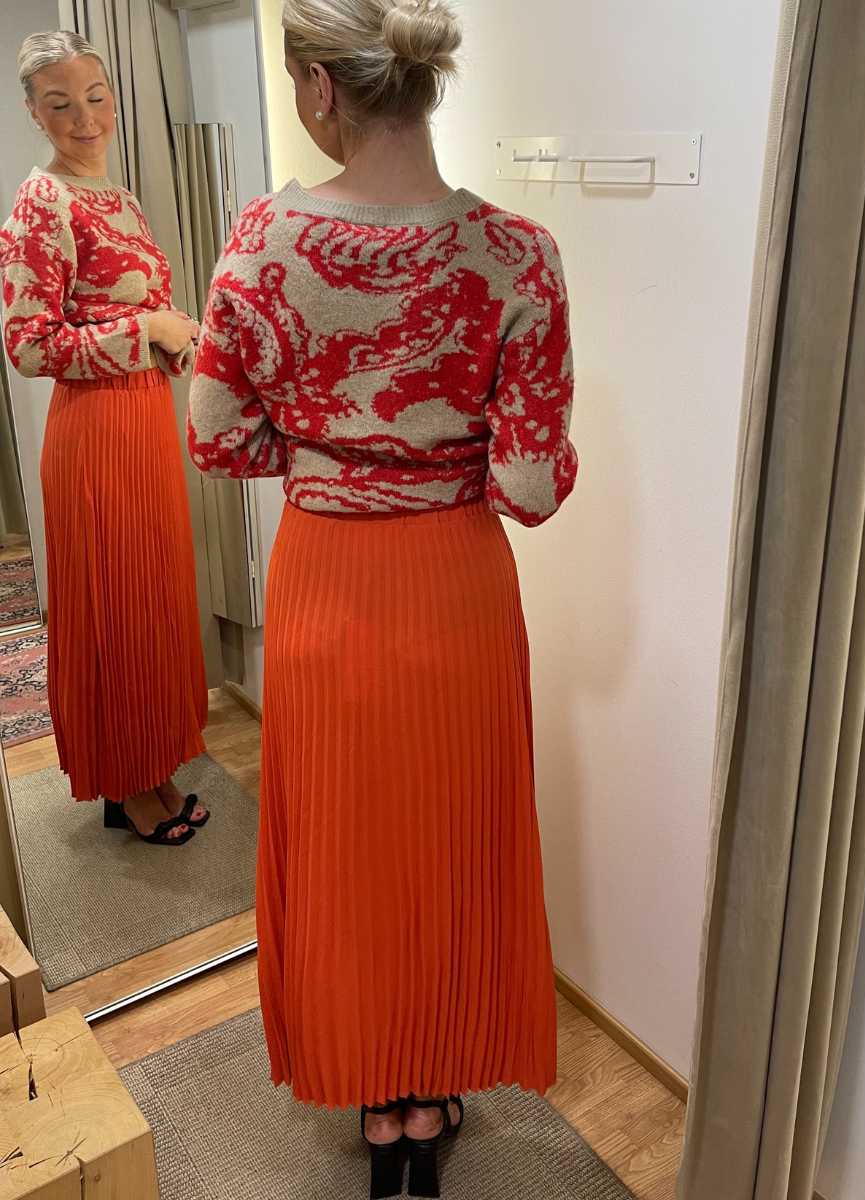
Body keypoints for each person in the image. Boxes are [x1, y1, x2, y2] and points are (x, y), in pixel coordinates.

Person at [188, 0, 577, 1193]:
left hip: (327, 582)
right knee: (449, 841)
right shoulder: (517, 255)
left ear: (320, 88)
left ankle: (378, 1099)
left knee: (347, 846)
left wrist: (330, 459)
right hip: (455, 589)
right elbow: (529, 487)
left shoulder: (263, 241)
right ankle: (436, 1081)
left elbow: (216, 439)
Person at [0, 32, 209, 845]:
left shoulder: (117, 196)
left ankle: (153, 763)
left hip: (144, 419)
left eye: (95, 97)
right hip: (94, 433)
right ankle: (124, 781)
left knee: (151, 599)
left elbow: (130, 305)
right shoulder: (40, 202)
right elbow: (28, 346)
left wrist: (171, 332)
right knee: (114, 609)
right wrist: (145, 329)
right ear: (34, 112)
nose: (84, 118)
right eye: (61, 104)